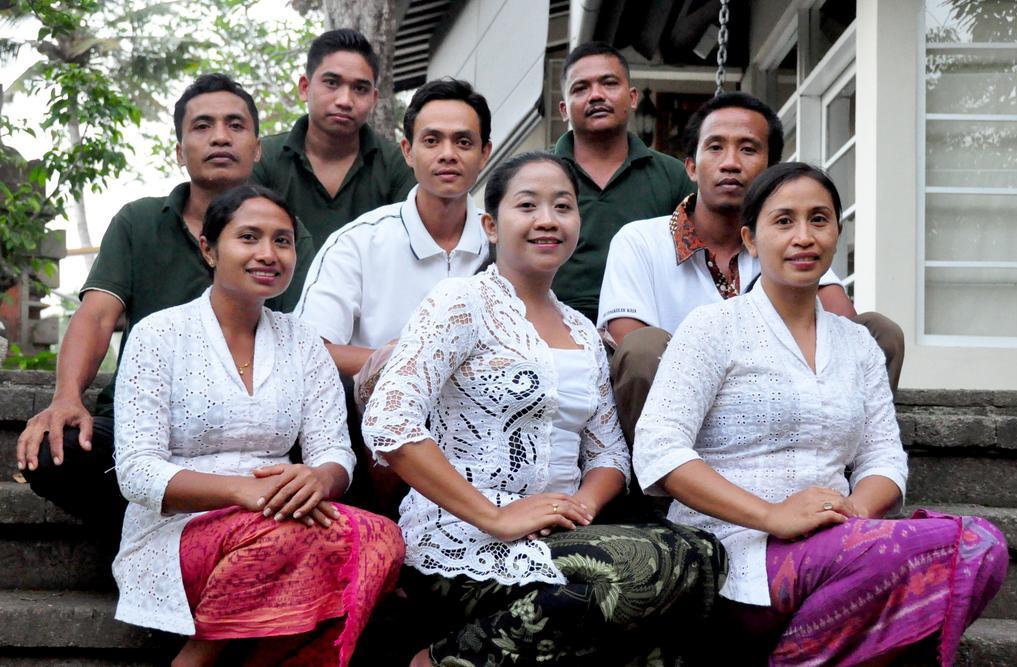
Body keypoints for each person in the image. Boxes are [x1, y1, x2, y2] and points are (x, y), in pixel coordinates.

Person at [632, 163, 1007, 666]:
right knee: (961, 545)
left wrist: (850, 517)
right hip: (732, 550)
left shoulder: (858, 345)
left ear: (836, 234)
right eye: (783, 221)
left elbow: (884, 459)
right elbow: (659, 447)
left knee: (983, 549)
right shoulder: (713, 328)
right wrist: (772, 516)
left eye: (819, 220)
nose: (803, 237)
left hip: (836, 547)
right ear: (750, 238)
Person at [362, 152, 726, 666]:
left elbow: (609, 456)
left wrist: (578, 510)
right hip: (464, 541)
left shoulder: (581, 329)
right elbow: (389, 422)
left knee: (704, 555)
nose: (548, 220)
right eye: (527, 205)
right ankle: (439, 660)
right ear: (490, 225)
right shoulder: (462, 302)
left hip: (561, 535)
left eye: (563, 206)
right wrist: (496, 516)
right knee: (645, 568)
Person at [14, 73, 314, 551]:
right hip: (142, 427)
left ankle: (236, 546)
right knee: (55, 454)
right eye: (202, 126)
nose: (220, 136)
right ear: (179, 150)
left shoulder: (284, 235)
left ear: (257, 148)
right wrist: (67, 396)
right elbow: (96, 315)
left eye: (235, 125)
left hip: (246, 436)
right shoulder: (139, 221)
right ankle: (158, 545)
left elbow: (300, 338)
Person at [113, 184, 404, 667]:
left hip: (286, 516)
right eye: (249, 237)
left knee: (383, 540)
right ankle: (198, 656)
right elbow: (137, 474)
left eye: (282, 241)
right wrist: (242, 493)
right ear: (208, 248)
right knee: (286, 536)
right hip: (179, 533)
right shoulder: (159, 334)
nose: (268, 254)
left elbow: (335, 452)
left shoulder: (304, 341)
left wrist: (318, 478)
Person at [599, 92, 905, 447]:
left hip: (779, 402)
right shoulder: (640, 240)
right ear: (691, 166)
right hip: (680, 411)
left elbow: (847, 329)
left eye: (748, 149)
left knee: (879, 333)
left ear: (772, 169)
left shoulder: (788, 240)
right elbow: (630, 342)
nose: (730, 163)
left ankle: (846, 458)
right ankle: (662, 485)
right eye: (715, 148)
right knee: (642, 347)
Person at [294, 78, 492, 517]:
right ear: (407, 151)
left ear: (485, 154)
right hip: (377, 433)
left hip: (484, 417)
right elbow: (308, 349)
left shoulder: (505, 241)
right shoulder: (360, 242)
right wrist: (410, 359)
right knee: (396, 374)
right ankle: (393, 531)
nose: (447, 154)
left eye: (463, 141)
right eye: (431, 140)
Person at [551, 41, 695, 322]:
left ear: (632, 98)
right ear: (564, 109)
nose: (596, 96)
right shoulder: (536, 174)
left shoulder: (672, 175)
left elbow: (695, 261)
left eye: (609, 84)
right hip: (551, 325)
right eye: (580, 89)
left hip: (648, 323)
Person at [253, 28, 416, 251]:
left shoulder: (400, 164)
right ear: (304, 88)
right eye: (331, 83)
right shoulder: (262, 158)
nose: (345, 100)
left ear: (374, 99)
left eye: (359, 88)